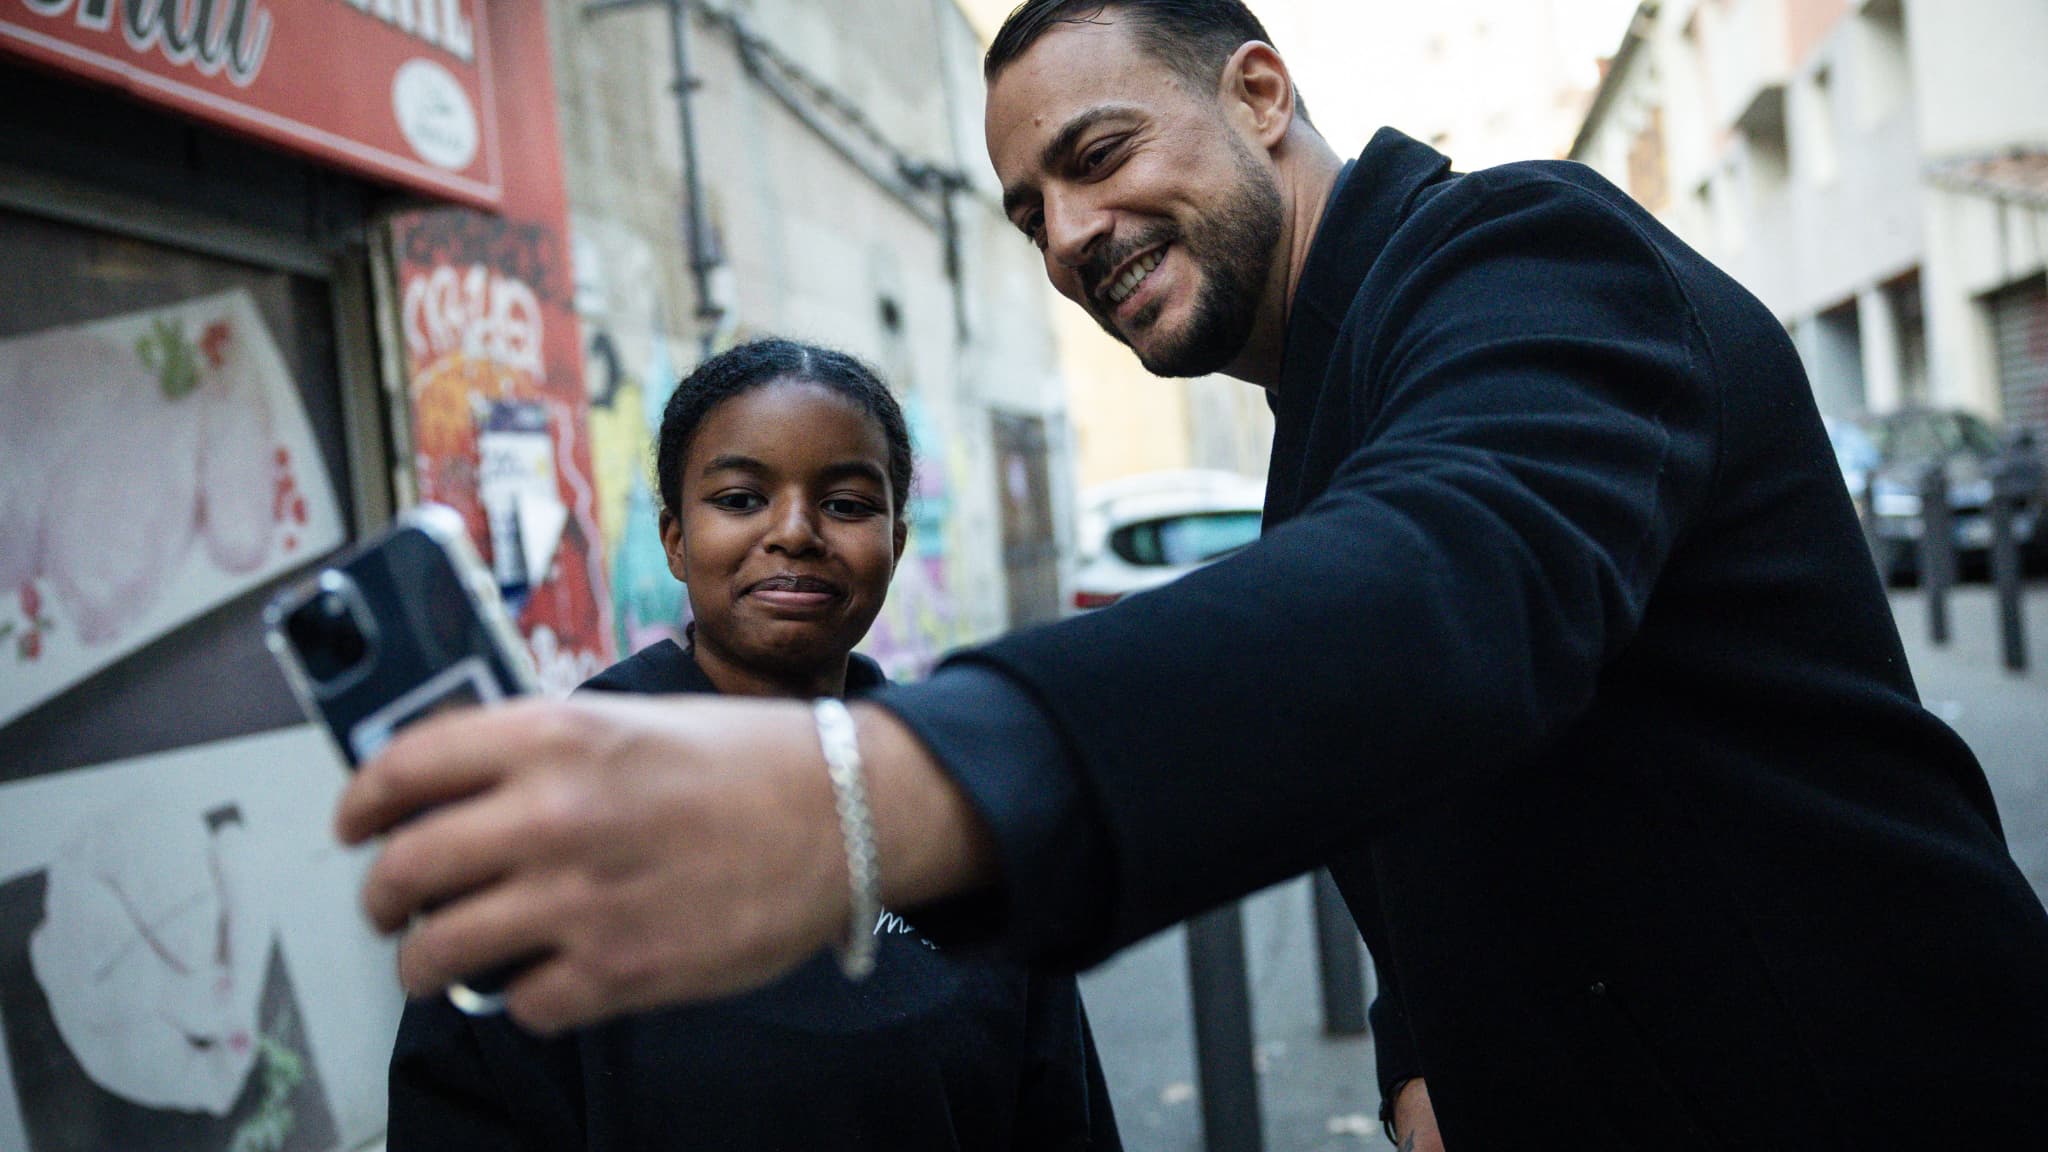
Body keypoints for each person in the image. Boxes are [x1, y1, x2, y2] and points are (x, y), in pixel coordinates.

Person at [338, 3, 2048, 1148]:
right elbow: (1429, 760)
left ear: (1256, 90)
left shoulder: (1526, 250)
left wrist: (877, 791)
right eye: (1027, 213)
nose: (1070, 235)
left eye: (1094, 157)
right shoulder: (1323, 418)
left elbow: (1456, 581)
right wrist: (1415, 1044)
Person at [382, 338, 1120, 1150]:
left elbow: (1058, 1110)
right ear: (673, 539)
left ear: (897, 541)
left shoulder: (960, 797)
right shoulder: (558, 810)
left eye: (846, 503)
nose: (795, 532)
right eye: (740, 499)